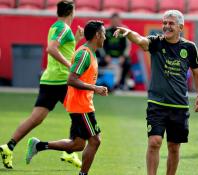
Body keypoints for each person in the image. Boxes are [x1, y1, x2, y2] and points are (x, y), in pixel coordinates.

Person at [114, 10, 198, 175]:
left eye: (171, 23)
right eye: (164, 23)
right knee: (154, 142)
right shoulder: (156, 42)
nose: (166, 26)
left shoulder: (189, 47)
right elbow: (141, 40)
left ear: (180, 27)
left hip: (179, 106)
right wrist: (129, 34)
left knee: (174, 147)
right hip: (157, 104)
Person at [0, 0, 82, 169]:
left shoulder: (56, 27)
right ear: (70, 12)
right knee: (80, 112)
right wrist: (70, 66)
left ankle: (8, 147)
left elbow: (63, 52)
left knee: (36, 118)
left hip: (49, 79)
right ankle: (69, 152)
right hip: (61, 81)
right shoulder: (64, 28)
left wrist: (78, 40)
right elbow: (51, 49)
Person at [25, 20, 108, 175]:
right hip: (81, 106)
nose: (105, 37)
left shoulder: (89, 53)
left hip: (80, 104)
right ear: (97, 35)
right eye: (104, 34)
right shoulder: (84, 54)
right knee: (95, 140)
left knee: (77, 144)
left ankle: (38, 145)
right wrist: (94, 88)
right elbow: (71, 79)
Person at [101, 13, 131, 90]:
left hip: (120, 57)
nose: (115, 22)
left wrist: (124, 56)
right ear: (111, 21)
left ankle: (122, 83)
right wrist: (105, 55)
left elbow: (128, 46)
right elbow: (100, 44)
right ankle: (99, 82)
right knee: (97, 61)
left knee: (127, 63)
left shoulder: (124, 30)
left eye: (117, 20)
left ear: (120, 21)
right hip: (108, 57)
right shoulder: (105, 30)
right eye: (113, 20)